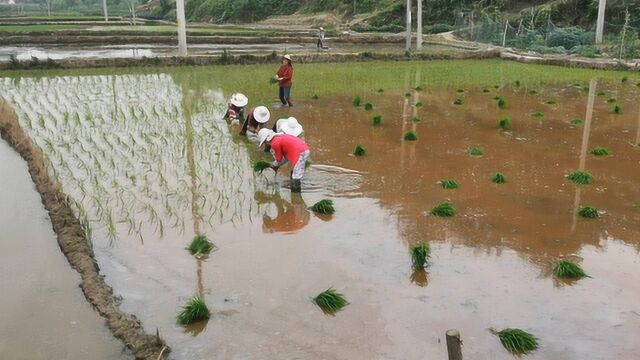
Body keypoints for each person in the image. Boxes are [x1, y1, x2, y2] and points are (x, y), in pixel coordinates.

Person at [258, 128, 310, 193]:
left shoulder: (275, 143)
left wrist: (273, 165)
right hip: (303, 149)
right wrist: (274, 164)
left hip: (301, 153)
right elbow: (286, 158)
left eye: (265, 142)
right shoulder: (280, 137)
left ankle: (296, 196)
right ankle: (293, 190)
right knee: (293, 172)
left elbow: (279, 159)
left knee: (296, 176)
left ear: (267, 140)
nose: (266, 144)